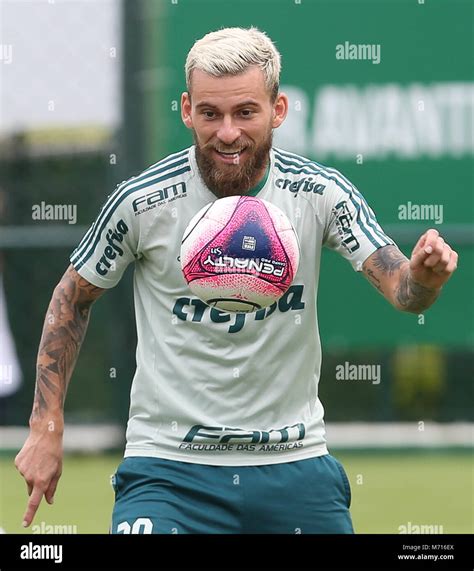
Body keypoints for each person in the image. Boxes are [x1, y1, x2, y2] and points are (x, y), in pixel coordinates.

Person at [15, 27, 458, 534]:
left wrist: (425, 277)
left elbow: (403, 291)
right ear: (186, 110)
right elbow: (72, 298)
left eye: (245, 112)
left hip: (294, 462)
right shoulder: (141, 202)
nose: (227, 133)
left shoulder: (320, 193)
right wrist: (46, 427)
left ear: (278, 110)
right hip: (168, 470)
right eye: (210, 113)